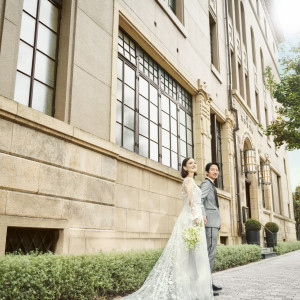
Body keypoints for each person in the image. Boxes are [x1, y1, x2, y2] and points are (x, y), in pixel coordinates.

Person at [122, 157, 214, 299]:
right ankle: (189, 290)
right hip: (190, 219)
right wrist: (196, 216)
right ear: (184, 168)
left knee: (194, 254)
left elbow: (196, 202)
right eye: (190, 163)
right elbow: (190, 201)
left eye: (195, 163)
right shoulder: (188, 181)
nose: (194, 165)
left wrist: (202, 215)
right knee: (189, 254)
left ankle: (194, 289)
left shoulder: (193, 181)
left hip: (196, 218)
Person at [200, 162, 222, 297]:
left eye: (217, 170)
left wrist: (219, 221)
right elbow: (200, 199)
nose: (215, 172)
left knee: (211, 254)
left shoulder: (212, 185)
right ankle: (206, 286)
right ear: (207, 171)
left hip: (214, 222)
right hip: (209, 223)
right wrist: (203, 215)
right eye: (212, 169)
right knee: (210, 254)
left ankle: (209, 281)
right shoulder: (206, 184)